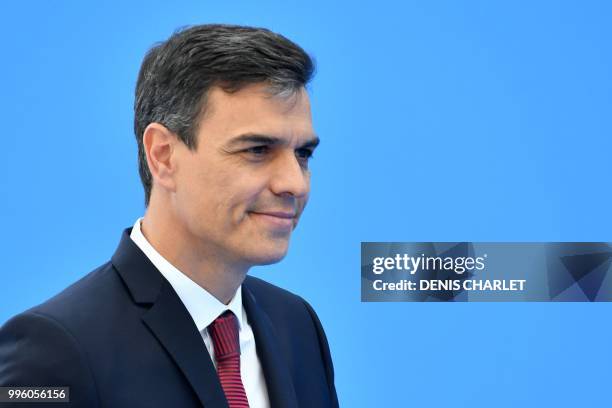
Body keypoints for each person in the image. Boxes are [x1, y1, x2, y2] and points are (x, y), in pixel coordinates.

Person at [0, 24, 339, 408]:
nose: (294, 183)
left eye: (303, 154)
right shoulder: (54, 349)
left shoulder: (297, 326)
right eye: (258, 150)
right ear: (163, 155)